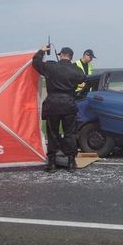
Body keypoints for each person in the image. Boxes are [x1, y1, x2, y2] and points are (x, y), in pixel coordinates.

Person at [32, 45, 86, 173]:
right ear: (71, 57)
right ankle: (71, 163)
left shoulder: (51, 66)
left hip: (52, 104)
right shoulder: (75, 69)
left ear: (61, 55)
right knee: (69, 134)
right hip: (68, 103)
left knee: (52, 134)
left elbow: (36, 62)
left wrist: (42, 51)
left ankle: (51, 164)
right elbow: (82, 78)